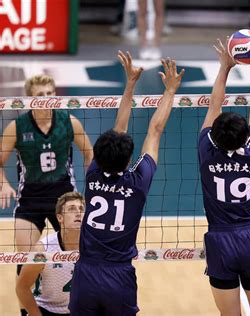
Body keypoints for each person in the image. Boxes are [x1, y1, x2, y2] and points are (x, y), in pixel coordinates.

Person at [68, 51, 184, 315]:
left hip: (86, 273)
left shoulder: (93, 174)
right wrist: (169, 92)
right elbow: (155, 130)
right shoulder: (138, 182)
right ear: (129, 158)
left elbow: (118, 128)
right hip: (118, 277)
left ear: (98, 155)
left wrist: (130, 83)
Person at [198, 38, 250, 316]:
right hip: (248, 237)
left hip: (219, 240)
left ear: (215, 136)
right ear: (246, 136)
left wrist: (225, 68)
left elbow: (213, 105)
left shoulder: (206, 151)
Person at [0, 75, 92, 252]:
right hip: (30, 196)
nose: (46, 98)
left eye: (49, 93)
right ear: (30, 99)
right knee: (25, 259)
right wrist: (3, 183)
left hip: (64, 194)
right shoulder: (16, 127)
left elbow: (89, 154)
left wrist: (93, 182)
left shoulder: (70, 122)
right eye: (40, 94)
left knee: (75, 255)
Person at [16, 192, 85, 316]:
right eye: (71, 209)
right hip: (46, 309)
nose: (78, 212)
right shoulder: (42, 250)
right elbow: (22, 287)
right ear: (60, 218)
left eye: (81, 209)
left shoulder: (93, 246)